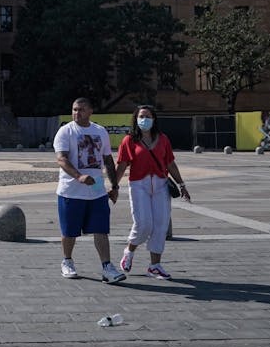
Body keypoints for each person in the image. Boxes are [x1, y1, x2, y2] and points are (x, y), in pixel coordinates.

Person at [53, 97, 126, 283]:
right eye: (74, 109)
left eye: (81, 109)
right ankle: (67, 261)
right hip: (71, 191)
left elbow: (108, 160)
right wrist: (79, 176)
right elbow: (61, 159)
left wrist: (115, 186)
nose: (77, 113)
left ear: (91, 111)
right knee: (70, 232)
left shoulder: (100, 131)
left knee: (101, 230)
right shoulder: (65, 131)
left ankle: (107, 267)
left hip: (97, 191)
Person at [115, 104, 191, 280]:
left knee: (160, 225)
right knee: (143, 224)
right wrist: (114, 186)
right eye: (141, 116)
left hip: (160, 184)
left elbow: (170, 163)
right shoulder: (129, 140)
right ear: (136, 119)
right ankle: (129, 250)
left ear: (154, 119)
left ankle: (154, 266)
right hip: (138, 184)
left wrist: (181, 184)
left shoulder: (163, 139)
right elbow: (122, 164)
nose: (144, 120)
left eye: (148, 116)